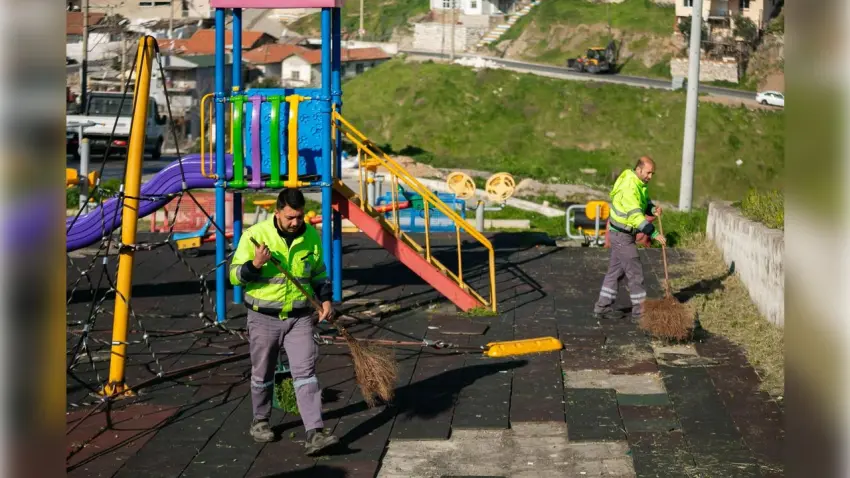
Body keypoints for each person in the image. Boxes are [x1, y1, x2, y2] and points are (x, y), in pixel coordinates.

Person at [229, 188, 339, 455]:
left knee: (306, 374)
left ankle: (314, 432)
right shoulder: (255, 236)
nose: (295, 222)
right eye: (290, 217)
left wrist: (326, 300)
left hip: (300, 318)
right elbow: (234, 276)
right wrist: (255, 264)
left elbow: (319, 273)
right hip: (263, 317)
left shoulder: (311, 235)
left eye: (299, 217)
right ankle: (261, 420)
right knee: (262, 373)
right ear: (276, 212)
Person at [593, 156, 666, 320]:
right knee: (635, 272)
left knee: (615, 272)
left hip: (621, 233)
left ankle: (602, 307)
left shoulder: (637, 182)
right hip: (622, 236)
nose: (650, 177)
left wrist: (652, 209)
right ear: (639, 170)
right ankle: (640, 312)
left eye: (652, 173)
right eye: (648, 173)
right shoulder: (630, 187)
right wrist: (654, 234)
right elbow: (635, 217)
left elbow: (643, 202)